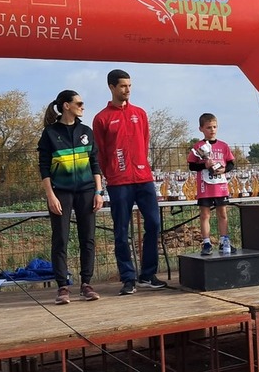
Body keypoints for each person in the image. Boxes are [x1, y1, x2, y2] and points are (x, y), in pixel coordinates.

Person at [92, 69, 166, 295]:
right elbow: (101, 153)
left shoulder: (140, 113)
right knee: (121, 231)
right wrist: (112, 173)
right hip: (119, 182)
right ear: (112, 87)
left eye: (129, 86)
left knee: (154, 224)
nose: (127, 90)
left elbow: (144, 142)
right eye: (123, 86)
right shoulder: (102, 118)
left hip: (143, 179)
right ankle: (128, 278)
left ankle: (148, 274)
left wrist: (142, 165)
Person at [37, 90, 104, 305]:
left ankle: (86, 284)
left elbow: (95, 162)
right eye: (79, 103)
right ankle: (62, 287)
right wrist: (51, 195)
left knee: (88, 238)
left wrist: (98, 191)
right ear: (66, 105)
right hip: (61, 192)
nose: (83, 106)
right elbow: (44, 167)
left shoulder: (86, 131)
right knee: (61, 238)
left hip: (86, 191)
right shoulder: (49, 133)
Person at [188, 113, 236, 255]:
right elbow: (192, 166)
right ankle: (207, 243)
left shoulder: (223, 146)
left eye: (214, 127)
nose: (212, 130)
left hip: (220, 186)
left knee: (223, 213)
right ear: (201, 129)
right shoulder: (198, 147)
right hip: (205, 186)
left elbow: (231, 164)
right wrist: (205, 165)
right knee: (205, 215)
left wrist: (223, 170)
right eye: (208, 127)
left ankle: (224, 241)